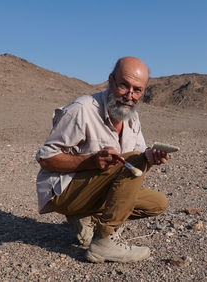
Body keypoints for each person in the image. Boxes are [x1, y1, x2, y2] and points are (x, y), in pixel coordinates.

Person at [35, 57, 169, 263]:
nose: (129, 95)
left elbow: (139, 158)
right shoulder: (83, 109)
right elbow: (46, 158)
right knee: (134, 160)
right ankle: (104, 242)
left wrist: (151, 158)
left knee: (157, 203)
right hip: (63, 192)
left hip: (92, 190)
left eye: (137, 90)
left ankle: (87, 217)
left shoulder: (131, 117)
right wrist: (91, 161)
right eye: (124, 85)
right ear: (111, 81)